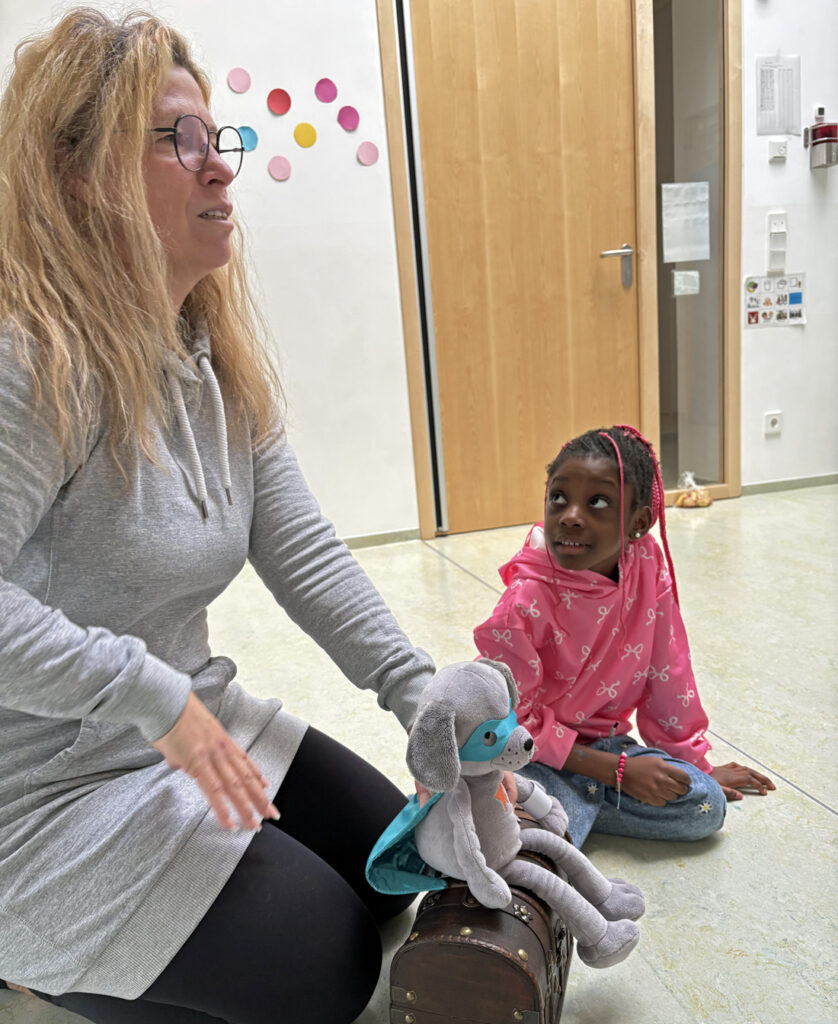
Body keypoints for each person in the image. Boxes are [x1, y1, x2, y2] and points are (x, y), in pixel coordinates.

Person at [0, 9, 434, 1023]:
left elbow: (309, 555)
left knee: (391, 866)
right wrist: (150, 694)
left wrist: (419, 689)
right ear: (79, 174)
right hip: (48, 787)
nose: (219, 167)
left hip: (189, 720)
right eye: (177, 139)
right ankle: (30, 951)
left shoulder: (213, 360)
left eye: (217, 136)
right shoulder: (29, 362)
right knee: (326, 968)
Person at [473, 425, 774, 848]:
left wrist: (695, 765)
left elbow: (669, 671)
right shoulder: (522, 602)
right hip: (529, 755)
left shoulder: (647, 562)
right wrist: (615, 772)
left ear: (638, 523)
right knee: (509, 831)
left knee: (704, 805)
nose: (570, 515)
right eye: (558, 497)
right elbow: (508, 725)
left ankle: (568, 811)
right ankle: (554, 813)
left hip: (607, 745)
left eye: (597, 502)